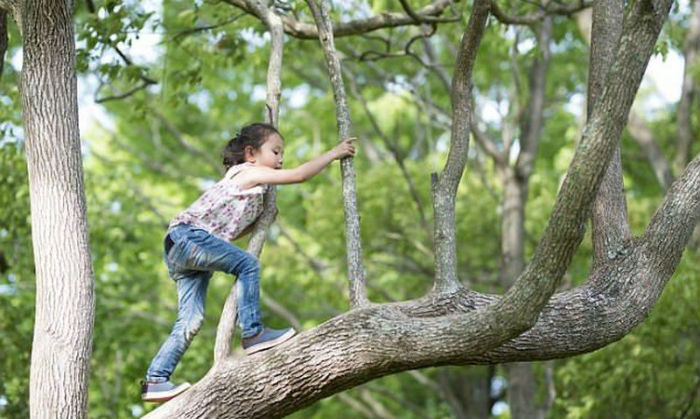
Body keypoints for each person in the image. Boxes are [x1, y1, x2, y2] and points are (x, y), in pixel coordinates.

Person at [140, 122, 356, 402]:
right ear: (251, 153)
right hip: (189, 237)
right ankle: (253, 333)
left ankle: (156, 379)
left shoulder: (252, 186)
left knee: (190, 321)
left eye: (282, 154)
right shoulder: (247, 172)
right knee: (247, 265)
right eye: (276, 151)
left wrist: (261, 220)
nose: (281, 159)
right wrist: (334, 153)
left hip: (180, 247)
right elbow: (300, 175)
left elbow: (229, 232)